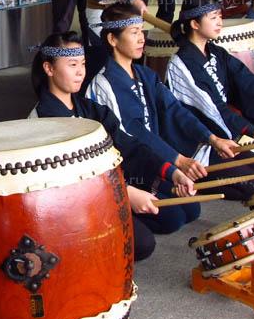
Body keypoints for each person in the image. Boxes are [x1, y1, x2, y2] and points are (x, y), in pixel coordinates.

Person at [29, 32, 196, 260]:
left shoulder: (90, 109)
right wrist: (125, 193)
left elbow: (128, 145)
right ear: (49, 69)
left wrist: (171, 171)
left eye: (83, 64)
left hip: (109, 186)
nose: (80, 72)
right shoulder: (43, 120)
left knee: (178, 214)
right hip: (74, 203)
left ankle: (125, 208)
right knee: (144, 243)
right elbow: (72, 180)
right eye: (72, 65)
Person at [86, 4, 245, 234]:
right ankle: (120, 206)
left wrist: (212, 139)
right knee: (171, 219)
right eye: (134, 33)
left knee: (191, 210)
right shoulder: (105, 84)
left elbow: (174, 110)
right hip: (130, 166)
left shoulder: (145, 74)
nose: (141, 38)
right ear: (112, 39)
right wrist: (177, 162)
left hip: (156, 159)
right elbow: (134, 133)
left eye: (142, 31)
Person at [166, 0, 254, 200]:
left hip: (221, 136)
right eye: (213, 17)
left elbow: (252, 85)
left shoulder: (216, 52)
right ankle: (195, 178)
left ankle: (212, 181)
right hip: (199, 145)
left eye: (220, 16)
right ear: (195, 24)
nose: (219, 22)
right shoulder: (181, 64)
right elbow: (215, 110)